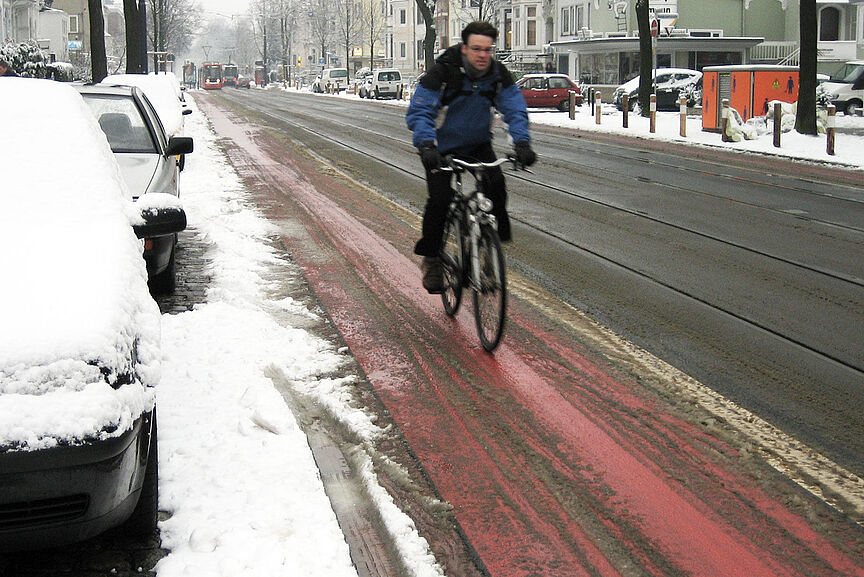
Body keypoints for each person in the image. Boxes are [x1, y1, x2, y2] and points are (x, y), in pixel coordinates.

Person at [406, 21, 536, 294]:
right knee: (440, 200)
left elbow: (515, 108)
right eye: (476, 49)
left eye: (487, 50)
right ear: (464, 48)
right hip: (439, 146)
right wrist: (427, 145)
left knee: (496, 187)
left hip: (477, 144)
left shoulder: (498, 74)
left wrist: (522, 142)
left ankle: (490, 248)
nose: (482, 55)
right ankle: (432, 259)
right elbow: (420, 111)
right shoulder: (444, 71)